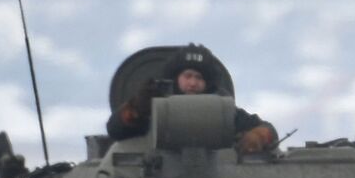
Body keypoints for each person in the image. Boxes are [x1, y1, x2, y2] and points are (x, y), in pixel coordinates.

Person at [106, 44, 277, 153]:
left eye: (199, 78)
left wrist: (256, 137)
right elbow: (115, 129)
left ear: (208, 83)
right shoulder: (154, 107)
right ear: (176, 78)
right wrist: (137, 108)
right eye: (187, 76)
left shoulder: (222, 112)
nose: (193, 83)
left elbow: (268, 132)